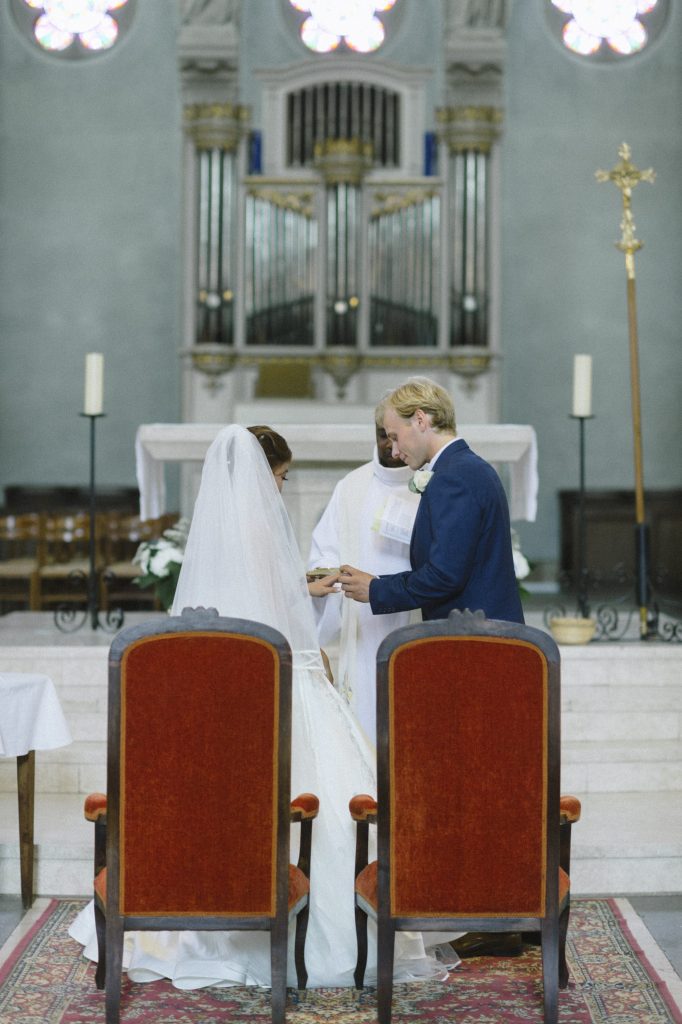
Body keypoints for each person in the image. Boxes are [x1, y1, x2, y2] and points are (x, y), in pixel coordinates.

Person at [69, 424, 455, 988]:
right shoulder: (261, 526)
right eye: (280, 477)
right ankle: (329, 934)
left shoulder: (214, 534)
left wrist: (303, 591)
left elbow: (242, 607)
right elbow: (279, 625)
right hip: (279, 683)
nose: (280, 487)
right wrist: (313, 638)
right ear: (261, 475)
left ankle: (191, 908)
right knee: (330, 793)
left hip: (227, 689)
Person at [339, 377, 524, 626]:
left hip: (475, 639)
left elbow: (444, 576)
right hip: (480, 632)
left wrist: (376, 589)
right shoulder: (466, 467)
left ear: (420, 420)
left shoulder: (454, 477)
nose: (393, 451)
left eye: (395, 436)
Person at [308, 401, 421, 742]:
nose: (389, 444)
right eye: (382, 435)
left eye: (394, 436)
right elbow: (324, 549)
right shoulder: (352, 485)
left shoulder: (430, 482)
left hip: (414, 615)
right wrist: (324, 575)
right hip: (363, 624)